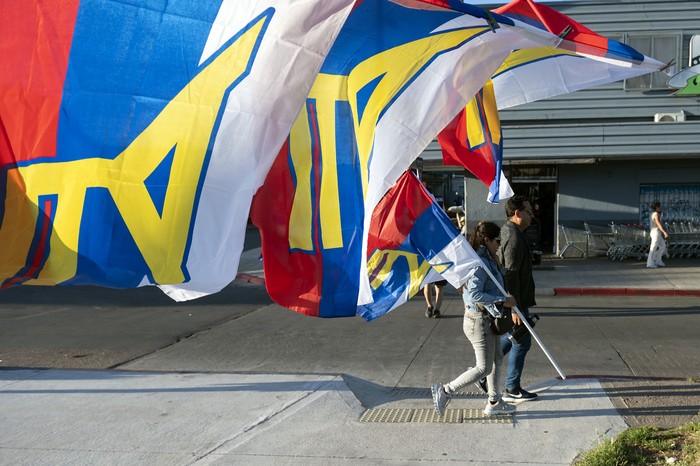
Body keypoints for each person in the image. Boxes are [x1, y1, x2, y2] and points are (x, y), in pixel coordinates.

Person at [431, 222, 518, 417]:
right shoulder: (479, 263)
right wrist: (503, 301)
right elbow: (475, 295)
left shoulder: (488, 259)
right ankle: (445, 391)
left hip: (486, 318)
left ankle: (494, 402)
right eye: (497, 241)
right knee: (483, 367)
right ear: (486, 240)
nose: (499, 245)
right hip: (478, 320)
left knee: (497, 358)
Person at [498, 195, 538, 402]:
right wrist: (514, 307)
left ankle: (483, 372)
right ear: (517, 213)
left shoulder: (514, 232)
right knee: (522, 342)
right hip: (515, 301)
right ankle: (512, 388)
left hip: (516, 299)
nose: (532, 216)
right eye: (529, 212)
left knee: (514, 339)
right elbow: (510, 273)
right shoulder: (513, 237)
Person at [647, 201, 669, 268]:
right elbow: (658, 224)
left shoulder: (654, 213)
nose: (661, 208)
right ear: (657, 207)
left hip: (656, 232)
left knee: (663, 246)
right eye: (660, 207)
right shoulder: (656, 214)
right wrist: (664, 232)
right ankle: (650, 263)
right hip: (655, 232)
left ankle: (658, 260)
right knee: (653, 248)